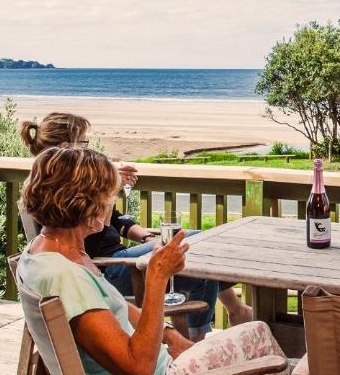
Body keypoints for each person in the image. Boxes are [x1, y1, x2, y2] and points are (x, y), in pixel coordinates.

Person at [16, 146, 295, 375]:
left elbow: (118, 310)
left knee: (269, 366)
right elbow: (139, 369)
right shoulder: (66, 277)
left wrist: (170, 334)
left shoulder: (43, 254)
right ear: (86, 202)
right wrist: (157, 279)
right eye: (109, 196)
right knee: (260, 344)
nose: (112, 203)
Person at [19, 112, 252, 337]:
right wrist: (110, 191)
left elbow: (113, 221)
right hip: (111, 268)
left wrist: (144, 236)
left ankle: (231, 313)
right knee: (197, 256)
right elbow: (95, 236)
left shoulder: (47, 189)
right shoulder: (63, 195)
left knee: (198, 240)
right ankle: (201, 335)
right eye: (84, 141)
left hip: (116, 259)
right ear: (65, 147)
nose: (89, 147)